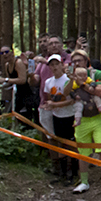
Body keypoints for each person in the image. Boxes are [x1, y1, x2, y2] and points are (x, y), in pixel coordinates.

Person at [70, 66, 101, 193]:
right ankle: (84, 182)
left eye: (80, 60)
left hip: (98, 118)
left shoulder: (95, 75)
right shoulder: (71, 80)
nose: (78, 63)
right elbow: (67, 92)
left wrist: (82, 84)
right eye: (75, 61)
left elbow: (99, 91)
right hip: (82, 120)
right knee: (83, 151)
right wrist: (71, 81)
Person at [40, 54, 78, 185]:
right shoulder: (48, 82)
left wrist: (55, 105)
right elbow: (49, 98)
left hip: (69, 116)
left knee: (71, 143)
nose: (54, 67)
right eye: (52, 65)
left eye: (57, 64)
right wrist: (49, 106)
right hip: (56, 116)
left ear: (62, 65)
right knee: (60, 143)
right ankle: (62, 172)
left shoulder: (68, 80)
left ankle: (73, 172)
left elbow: (72, 100)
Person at [0, 46, 37, 121]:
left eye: (6, 52)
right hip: (18, 94)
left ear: (12, 52)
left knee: (26, 118)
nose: (4, 54)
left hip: (27, 94)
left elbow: (22, 80)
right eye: (2, 53)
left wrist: (5, 80)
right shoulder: (7, 65)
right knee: (17, 116)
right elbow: (11, 81)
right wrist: (1, 86)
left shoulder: (18, 63)